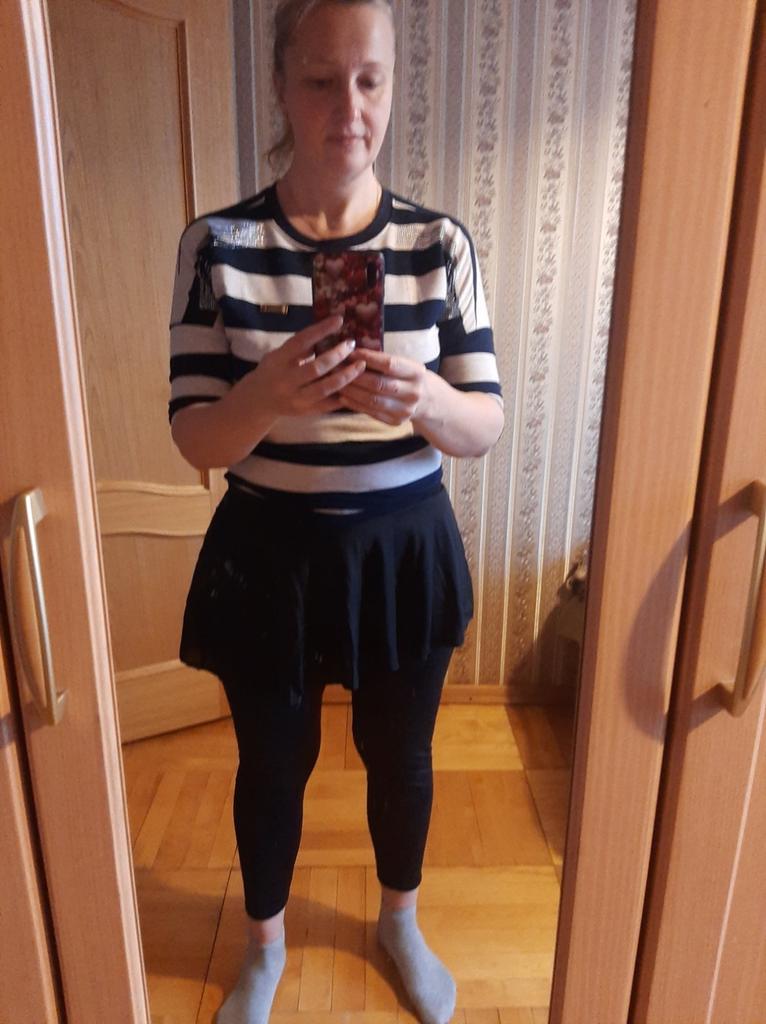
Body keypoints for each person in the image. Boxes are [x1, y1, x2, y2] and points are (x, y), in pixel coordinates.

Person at [168, 1, 504, 1021]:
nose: (348, 107)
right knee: (273, 764)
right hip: (267, 552)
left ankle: (400, 920)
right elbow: (196, 438)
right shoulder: (216, 244)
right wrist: (268, 397)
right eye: (320, 79)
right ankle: (263, 947)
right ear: (280, 85)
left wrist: (427, 399)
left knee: (401, 757)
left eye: (369, 79)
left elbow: (483, 423)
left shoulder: (437, 243)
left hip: (403, 550)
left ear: (392, 84)